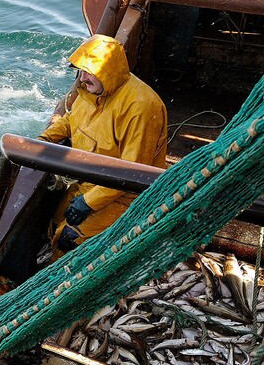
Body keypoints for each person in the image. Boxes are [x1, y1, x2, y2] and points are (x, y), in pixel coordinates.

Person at [38, 34, 168, 260]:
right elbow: (71, 121)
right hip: (88, 183)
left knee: (69, 237)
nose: (82, 78)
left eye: (89, 72)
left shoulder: (142, 107)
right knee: (52, 222)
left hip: (127, 197)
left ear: (107, 72)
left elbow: (131, 171)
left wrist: (88, 203)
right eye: (80, 70)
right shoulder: (90, 90)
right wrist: (42, 140)